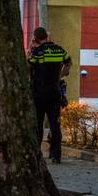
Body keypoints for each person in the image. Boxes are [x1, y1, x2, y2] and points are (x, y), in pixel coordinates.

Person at [27, 27, 71, 164]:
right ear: (47, 36)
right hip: (55, 92)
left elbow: (28, 67)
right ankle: (56, 155)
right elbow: (68, 63)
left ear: (35, 38)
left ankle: (37, 155)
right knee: (55, 125)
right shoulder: (59, 49)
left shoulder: (37, 52)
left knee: (38, 124)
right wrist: (60, 75)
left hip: (39, 93)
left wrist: (29, 50)